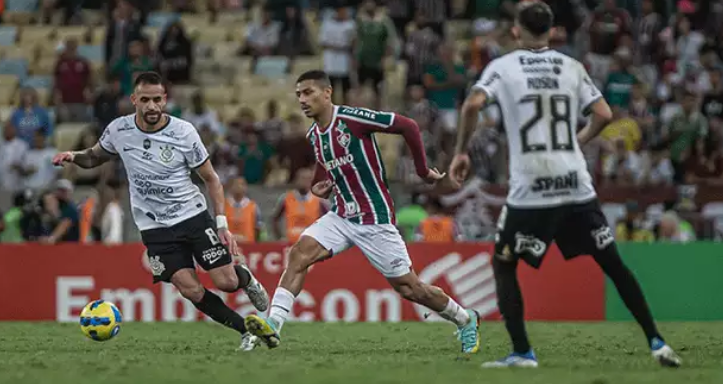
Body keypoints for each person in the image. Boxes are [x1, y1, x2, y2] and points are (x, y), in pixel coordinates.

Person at [448, 0, 681, 368]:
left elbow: (472, 105)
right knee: (613, 265)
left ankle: (523, 352)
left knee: (505, 264)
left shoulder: (503, 66)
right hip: (575, 183)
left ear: (515, 30)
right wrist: (578, 140)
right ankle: (657, 341)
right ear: (552, 30)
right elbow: (603, 114)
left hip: (532, 187)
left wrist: (461, 152)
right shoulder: (571, 66)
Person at [243, 70, 480, 354]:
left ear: (327, 92)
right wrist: (321, 186)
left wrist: (422, 170)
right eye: (299, 95)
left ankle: (465, 319)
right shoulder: (314, 135)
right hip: (341, 216)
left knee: (410, 288)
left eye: (308, 93)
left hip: (374, 218)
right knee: (298, 255)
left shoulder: (352, 119)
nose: (303, 100)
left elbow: (407, 125)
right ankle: (273, 326)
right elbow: (323, 172)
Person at [52, 72, 269, 351]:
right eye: (145, 100)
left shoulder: (183, 132)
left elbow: (212, 179)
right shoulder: (119, 130)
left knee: (226, 282)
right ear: (134, 100)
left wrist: (222, 224)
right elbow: (95, 156)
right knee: (190, 289)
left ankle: (247, 279)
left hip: (192, 216)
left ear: (165, 100)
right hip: (154, 227)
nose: (152, 106)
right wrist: (73, 156)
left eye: (157, 99)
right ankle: (245, 331)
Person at [270, 167, 326, 243]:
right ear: (296, 180)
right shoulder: (286, 198)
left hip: (311, 245)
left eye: (307, 179)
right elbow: (274, 220)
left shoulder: (319, 201)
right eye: (302, 178)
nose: (304, 182)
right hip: (291, 244)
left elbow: (330, 221)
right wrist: (280, 238)